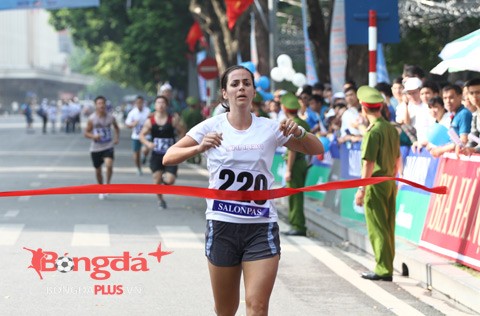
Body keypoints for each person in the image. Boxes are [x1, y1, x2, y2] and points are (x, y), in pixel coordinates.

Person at [162, 65, 324, 316]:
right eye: (235, 84)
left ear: (253, 92)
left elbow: (315, 149)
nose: (241, 88)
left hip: (260, 226)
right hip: (222, 223)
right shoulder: (210, 127)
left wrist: (300, 131)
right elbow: (169, 157)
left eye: (246, 83)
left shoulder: (269, 128)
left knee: (257, 306)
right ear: (224, 93)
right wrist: (199, 148)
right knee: (225, 309)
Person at [354, 86, 400, 282]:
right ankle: (386, 265)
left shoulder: (372, 132)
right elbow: (398, 157)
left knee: (377, 228)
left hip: (375, 184)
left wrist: (361, 189)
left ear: (364, 109)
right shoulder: (390, 128)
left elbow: (368, 163)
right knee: (388, 227)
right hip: (390, 181)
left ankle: (383, 269)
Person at [139, 95, 185, 209]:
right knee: (156, 179)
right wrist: (148, 144)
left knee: (170, 180)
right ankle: (160, 200)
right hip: (156, 155)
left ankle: (164, 183)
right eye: (158, 103)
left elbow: (182, 131)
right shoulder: (151, 121)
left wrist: (179, 144)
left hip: (170, 155)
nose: (161, 105)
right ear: (155, 105)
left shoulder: (172, 119)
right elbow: (142, 135)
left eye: (163, 103)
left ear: (167, 105)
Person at [281, 92, 311, 236]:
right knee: (297, 195)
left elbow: (292, 150)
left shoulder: (293, 125)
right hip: (302, 162)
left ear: (285, 109)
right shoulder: (303, 123)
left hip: (295, 164)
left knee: (295, 196)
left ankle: (297, 225)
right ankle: (297, 223)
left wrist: (288, 170)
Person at [84, 96, 120, 200]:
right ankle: (101, 188)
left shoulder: (111, 117)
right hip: (96, 148)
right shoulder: (92, 118)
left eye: (103, 103)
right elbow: (86, 132)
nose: (101, 105)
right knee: (98, 170)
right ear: (96, 105)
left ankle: (107, 185)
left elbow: (117, 128)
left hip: (108, 145)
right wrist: (94, 136)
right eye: (99, 103)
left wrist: (116, 138)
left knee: (109, 164)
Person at [430, 84, 472, 157]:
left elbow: (463, 141)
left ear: (460, 97)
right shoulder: (454, 114)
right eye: (445, 98)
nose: (448, 101)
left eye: (451, 97)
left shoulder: (464, 114)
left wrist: (441, 150)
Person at [125, 96, 152, 175]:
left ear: (143, 103)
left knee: (145, 149)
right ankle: (138, 168)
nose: (139, 104)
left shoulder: (147, 111)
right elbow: (127, 124)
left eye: (141, 102)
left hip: (146, 136)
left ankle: (144, 156)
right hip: (136, 136)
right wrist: (133, 124)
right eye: (138, 103)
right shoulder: (132, 113)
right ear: (135, 103)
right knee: (136, 155)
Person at [459, 78, 480, 156]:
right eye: (471, 93)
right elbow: (473, 139)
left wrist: (474, 149)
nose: (474, 96)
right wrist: (465, 148)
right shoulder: (475, 115)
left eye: (478, 92)